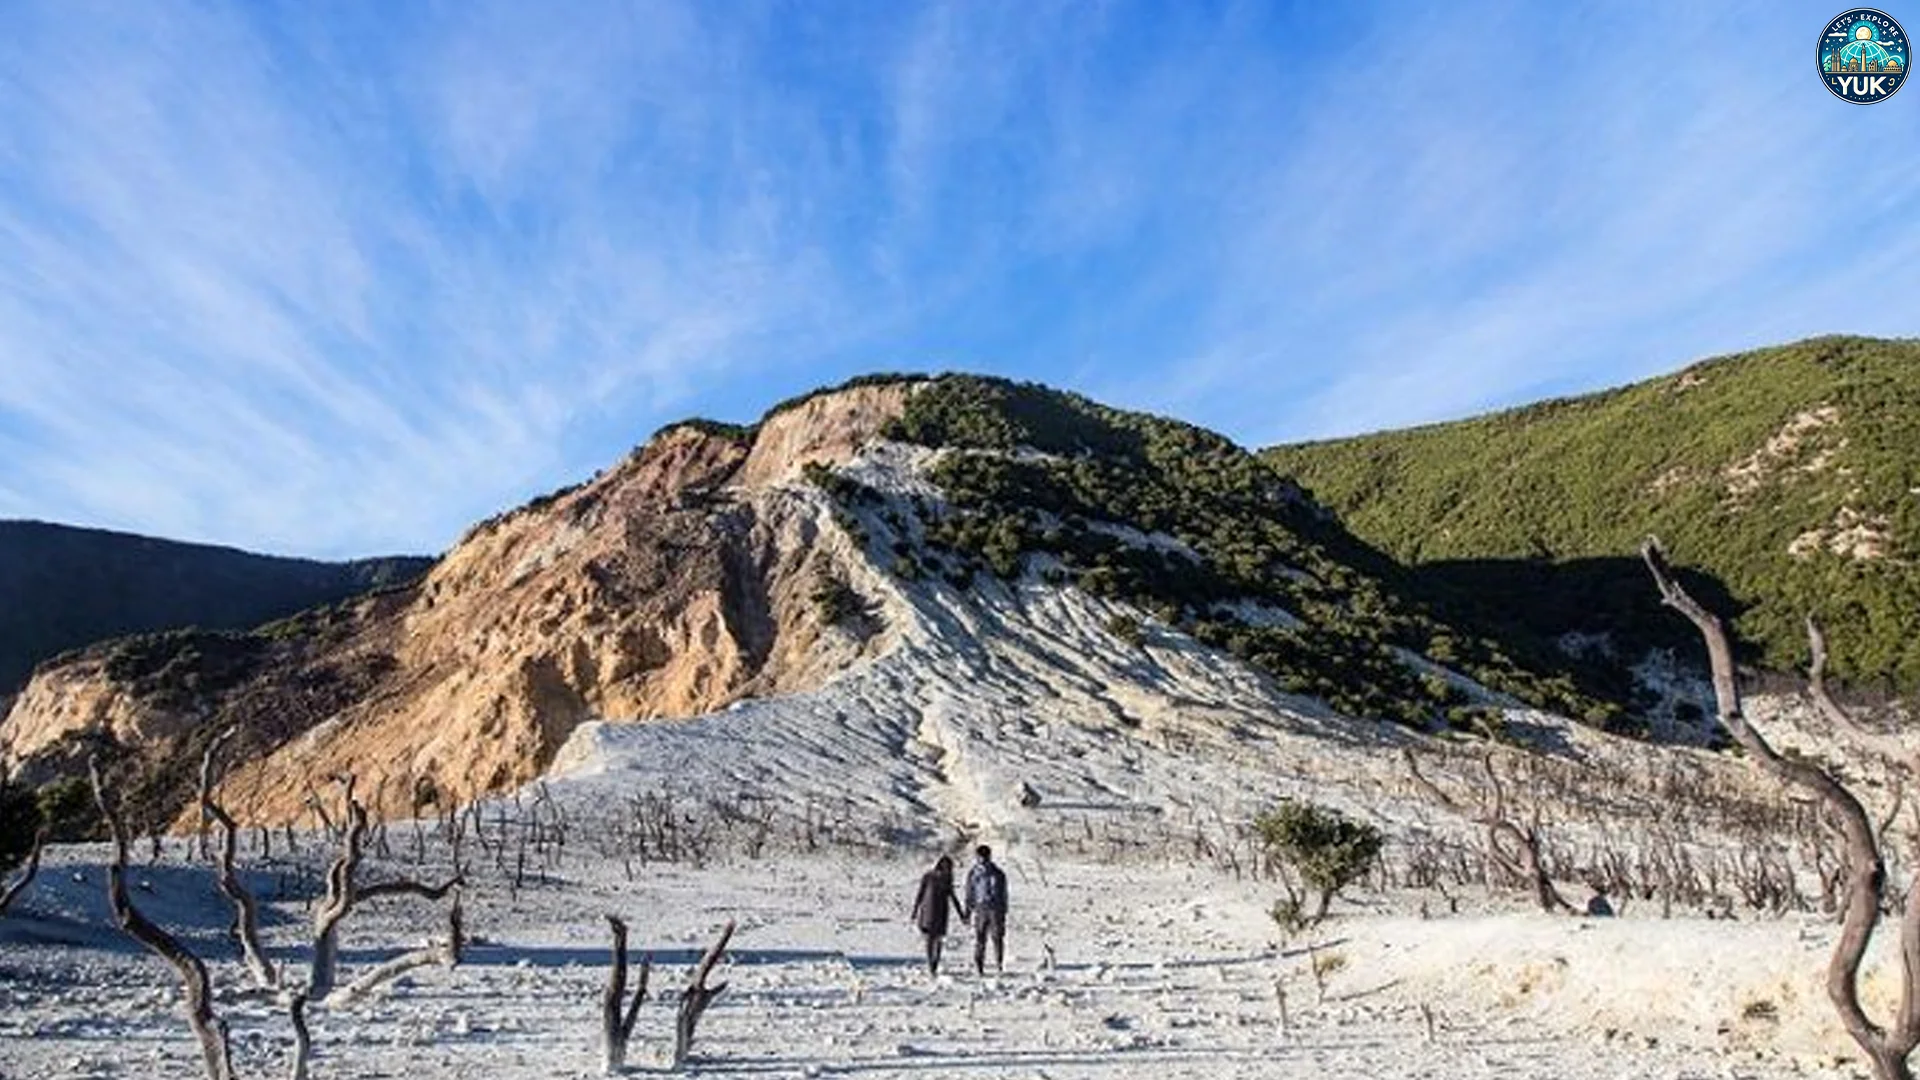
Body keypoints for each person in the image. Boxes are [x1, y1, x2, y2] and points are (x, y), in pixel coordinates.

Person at [911, 855, 964, 976]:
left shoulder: (948, 879)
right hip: (928, 911)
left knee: (938, 940)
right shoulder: (928, 876)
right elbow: (920, 894)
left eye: (949, 867)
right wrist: (915, 911)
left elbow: (953, 897)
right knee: (930, 939)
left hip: (941, 912)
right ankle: (931, 965)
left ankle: (935, 963)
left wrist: (961, 914)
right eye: (946, 866)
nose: (947, 869)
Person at [963, 844, 1008, 975]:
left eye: (984, 856)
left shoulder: (998, 873)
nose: (981, 859)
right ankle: (979, 965)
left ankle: (999, 964)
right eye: (979, 857)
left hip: (996, 909)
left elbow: (1004, 893)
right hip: (980, 908)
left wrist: (1004, 910)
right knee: (980, 938)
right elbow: (969, 892)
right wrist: (968, 911)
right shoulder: (973, 873)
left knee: (997, 938)